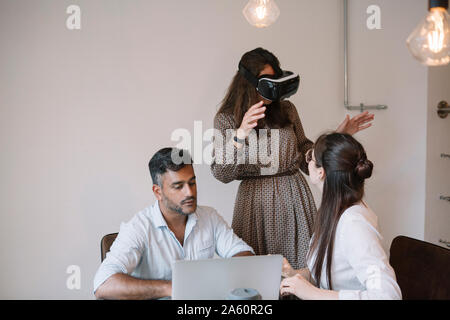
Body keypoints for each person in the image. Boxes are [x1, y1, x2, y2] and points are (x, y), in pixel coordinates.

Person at [210, 47, 374, 270]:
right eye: (265, 80)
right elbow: (221, 173)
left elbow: (305, 153)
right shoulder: (227, 119)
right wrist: (240, 134)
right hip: (254, 205)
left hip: (293, 198)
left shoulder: (286, 109)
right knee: (256, 273)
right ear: (247, 82)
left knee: (300, 269)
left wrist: (336, 138)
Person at [93, 148, 254, 300]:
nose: (189, 193)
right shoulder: (138, 227)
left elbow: (244, 255)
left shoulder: (209, 216)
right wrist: (169, 288)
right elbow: (103, 284)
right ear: (158, 192)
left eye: (192, 183)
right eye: (178, 186)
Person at [279, 132, 402, 300]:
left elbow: (388, 295)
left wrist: (312, 293)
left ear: (321, 172)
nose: (307, 161)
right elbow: (331, 275)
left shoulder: (354, 224)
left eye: (310, 156)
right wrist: (294, 275)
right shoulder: (333, 212)